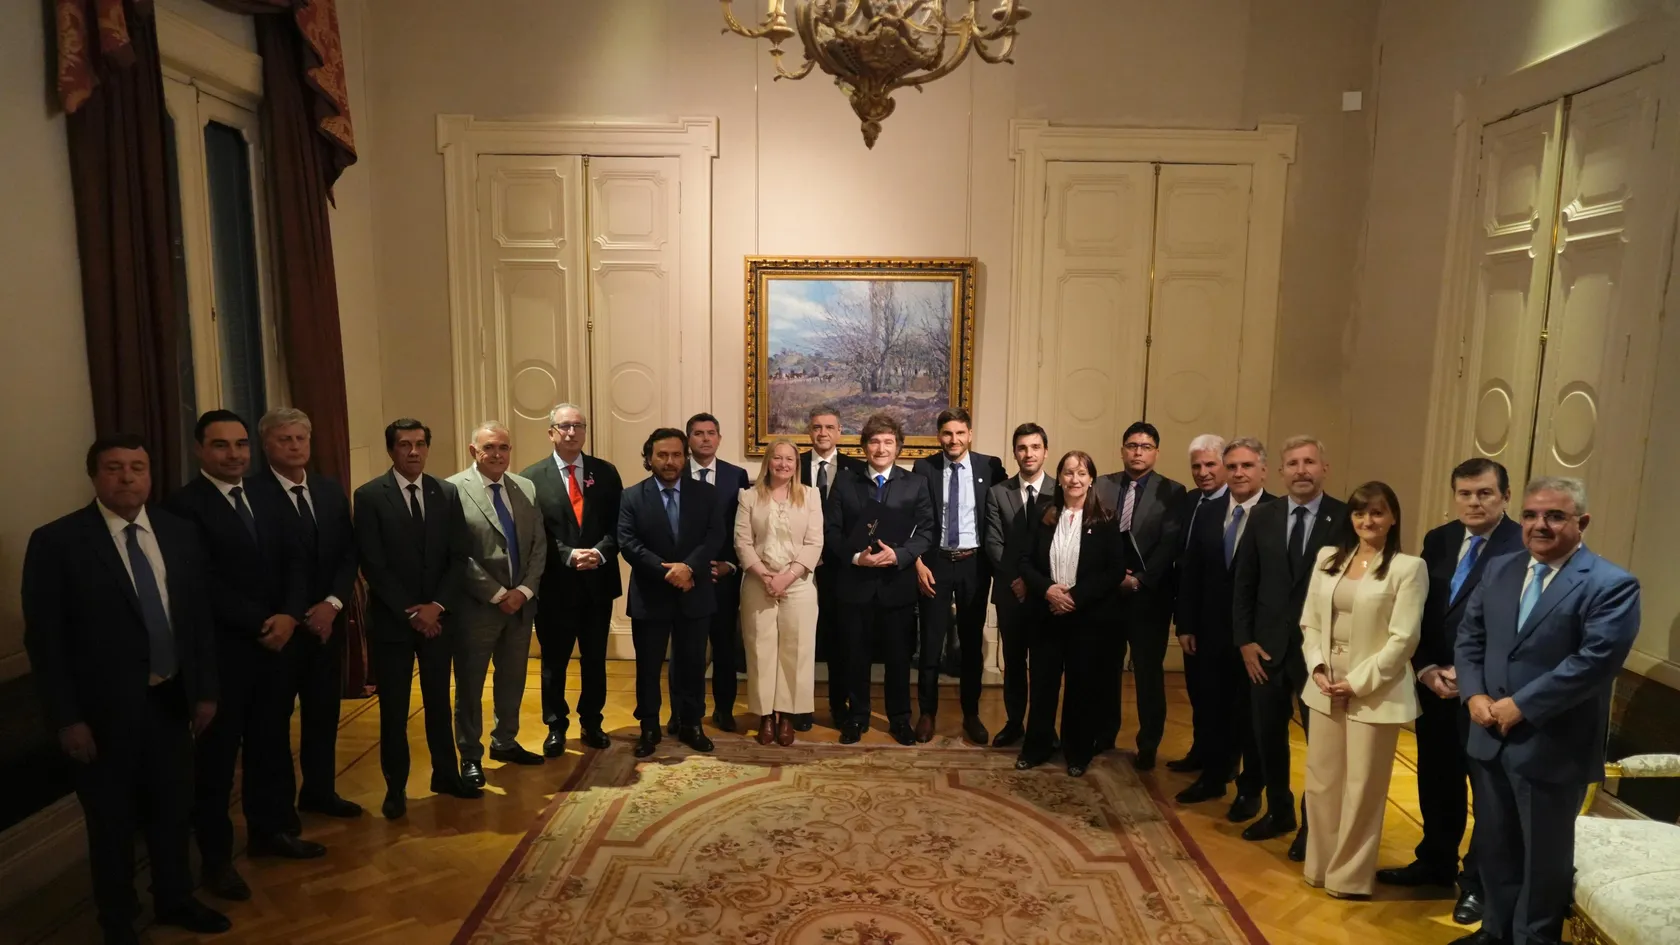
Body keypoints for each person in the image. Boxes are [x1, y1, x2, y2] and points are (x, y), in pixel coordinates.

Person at [22, 435, 230, 944]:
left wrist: (205, 692)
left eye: (138, 467)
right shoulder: (57, 542)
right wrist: (68, 719)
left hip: (170, 700)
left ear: (150, 474)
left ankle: (175, 897)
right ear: (94, 476)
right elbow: (46, 644)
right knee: (112, 825)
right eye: (114, 468)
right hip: (100, 715)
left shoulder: (178, 533)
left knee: (172, 811)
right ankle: (118, 920)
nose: (128, 477)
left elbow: (197, 622)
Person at [1453, 477, 1641, 945]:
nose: (1540, 525)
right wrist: (1473, 694)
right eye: (1532, 515)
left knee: (1542, 860)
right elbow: (1470, 638)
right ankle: (1494, 932)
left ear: (1582, 522)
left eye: (1555, 516)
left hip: (1552, 745)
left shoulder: (1611, 584)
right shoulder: (1500, 569)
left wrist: (1523, 705)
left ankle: (1533, 940)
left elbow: (1595, 661)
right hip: (1488, 736)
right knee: (1494, 847)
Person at [166, 410, 322, 902]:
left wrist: (291, 615)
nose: (233, 454)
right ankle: (216, 862)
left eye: (240, 445)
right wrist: (264, 621)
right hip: (224, 654)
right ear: (199, 451)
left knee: (271, 745)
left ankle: (270, 832)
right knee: (215, 765)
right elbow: (199, 583)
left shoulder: (262, 493)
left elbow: (297, 559)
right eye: (221, 446)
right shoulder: (183, 507)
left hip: (278, 646)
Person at [1378, 458, 1520, 923]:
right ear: (1454, 496)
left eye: (1484, 493)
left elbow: (1519, 626)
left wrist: (1470, 676)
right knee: (1436, 779)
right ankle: (1435, 861)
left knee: (1487, 791)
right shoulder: (1438, 540)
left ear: (1505, 496)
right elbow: (1420, 611)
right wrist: (1423, 669)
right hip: (1434, 685)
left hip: (1488, 694)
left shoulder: (1523, 545)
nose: (1474, 502)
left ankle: (1476, 883)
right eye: (1465, 493)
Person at [1300, 481, 1426, 899]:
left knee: (1363, 788)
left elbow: (1403, 640)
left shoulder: (1408, 568)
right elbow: (1310, 622)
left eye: (1376, 513)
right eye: (1359, 513)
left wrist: (1354, 682)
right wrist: (1317, 666)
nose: (1367, 521)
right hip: (1323, 683)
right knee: (1321, 783)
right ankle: (1318, 867)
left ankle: (1350, 877)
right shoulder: (1327, 558)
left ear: (1392, 518)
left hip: (1373, 690)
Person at [353, 418, 478, 820]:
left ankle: (446, 774)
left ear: (428, 448)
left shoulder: (446, 492)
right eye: (404, 444)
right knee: (394, 708)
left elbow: (459, 556)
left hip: (439, 620)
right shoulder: (370, 496)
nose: (413, 451)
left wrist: (436, 607)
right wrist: (412, 611)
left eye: (420, 444)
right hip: (393, 623)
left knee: (439, 702)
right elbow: (373, 563)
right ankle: (395, 787)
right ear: (391, 450)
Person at [1232, 435, 1347, 859]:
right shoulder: (1263, 517)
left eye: (1309, 462)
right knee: (1267, 738)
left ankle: (1313, 823)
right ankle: (1279, 810)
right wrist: (1244, 640)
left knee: (1320, 744)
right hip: (1265, 651)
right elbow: (1244, 584)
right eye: (1293, 463)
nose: (1301, 470)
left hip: (1321, 656)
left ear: (1323, 468)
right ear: (1280, 472)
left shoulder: (1345, 518)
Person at [250, 407, 363, 820]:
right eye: (285, 439)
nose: (295, 446)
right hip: (278, 628)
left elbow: (348, 552)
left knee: (323, 715)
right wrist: (297, 612)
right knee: (274, 725)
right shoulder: (252, 495)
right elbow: (263, 568)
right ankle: (279, 813)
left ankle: (320, 792)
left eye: (301, 438)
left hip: (326, 625)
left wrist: (333, 604)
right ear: (266, 445)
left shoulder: (329, 490)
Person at [823, 412, 935, 745]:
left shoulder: (915, 483)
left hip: (896, 585)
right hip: (854, 584)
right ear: (864, 447)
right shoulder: (845, 481)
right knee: (854, 656)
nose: (881, 448)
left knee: (898, 658)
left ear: (898, 447)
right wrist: (857, 557)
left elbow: (928, 530)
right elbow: (831, 531)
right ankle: (857, 717)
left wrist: (899, 555)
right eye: (874, 441)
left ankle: (900, 719)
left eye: (888, 441)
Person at [1174, 437, 1271, 815]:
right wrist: (1186, 623)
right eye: (1232, 467)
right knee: (1211, 708)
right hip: (1211, 632)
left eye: (1246, 466)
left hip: (1257, 639)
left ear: (1262, 469)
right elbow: (1191, 573)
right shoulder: (1210, 513)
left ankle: (1250, 790)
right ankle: (1213, 777)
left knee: (1252, 719)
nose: (1238, 473)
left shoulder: (1276, 513)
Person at [448, 422, 548, 787]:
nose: (498, 454)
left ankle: (505, 741)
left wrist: (524, 590)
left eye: (504, 447)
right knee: (471, 685)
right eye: (490, 448)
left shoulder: (525, 487)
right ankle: (470, 755)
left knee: (513, 679)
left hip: (521, 607)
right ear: (474, 451)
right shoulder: (453, 489)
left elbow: (539, 545)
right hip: (478, 608)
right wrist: (495, 593)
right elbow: (456, 554)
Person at [1014, 450, 1125, 777]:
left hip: (1086, 619)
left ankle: (1077, 752)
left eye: (1081, 473)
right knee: (1044, 686)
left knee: (1081, 687)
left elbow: (1115, 570)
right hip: (1046, 613)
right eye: (1068, 473)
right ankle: (1036, 747)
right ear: (1059, 477)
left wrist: (1074, 597)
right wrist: (1048, 589)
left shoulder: (1106, 519)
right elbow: (1024, 562)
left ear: (1091, 479)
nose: (1074, 479)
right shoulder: (1042, 514)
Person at [618, 428, 727, 758]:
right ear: (649, 458)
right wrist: (670, 571)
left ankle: (691, 723)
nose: (669, 461)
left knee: (693, 664)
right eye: (662, 455)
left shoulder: (706, 494)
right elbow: (628, 544)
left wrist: (689, 568)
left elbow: (714, 536)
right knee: (648, 667)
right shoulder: (632, 496)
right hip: (651, 595)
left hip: (695, 592)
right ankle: (649, 726)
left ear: (686, 457)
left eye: (676, 455)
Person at [520, 403, 622, 755]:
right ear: (551, 432)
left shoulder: (605, 473)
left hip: (597, 583)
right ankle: (555, 725)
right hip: (555, 587)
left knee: (595, 659)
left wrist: (601, 551)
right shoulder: (531, 478)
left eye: (578, 426)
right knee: (554, 661)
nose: (571, 432)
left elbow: (619, 524)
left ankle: (592, 722)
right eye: (564, 426)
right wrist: (566, 554)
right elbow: (533, 534)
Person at [1093, 421, 1186, 769]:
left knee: (1148, 674)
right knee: (1106, 669)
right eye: (1131, 445)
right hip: (1108, 595)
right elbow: (1094, 535)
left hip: (1149, 598)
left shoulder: (1174, 492)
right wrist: (1111, 578)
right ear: (1122, 450)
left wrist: (1141, 579)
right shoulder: (1102, 485)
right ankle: (1105, 733)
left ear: (1156, 452)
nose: (1137, 452)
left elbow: (1170, 544)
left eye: (1145, 446)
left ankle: (1148, 744)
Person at [912, 408, 1006, 745]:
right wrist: (918, 562)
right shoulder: (924, 467)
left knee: (970, 643)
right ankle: (927, 713)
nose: (954, 440)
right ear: (939, 436)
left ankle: (971, 714)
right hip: (935, 561)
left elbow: (1007, 506)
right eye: (947, 434)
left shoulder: (989, 467)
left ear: (970, 434)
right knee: (931, 643)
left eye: (960, 433)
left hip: (974, 564)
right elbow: (916, 517)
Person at [734, 438, 824, 745]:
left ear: (797, 465)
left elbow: (815, 543)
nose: (783, 464)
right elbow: (743, 543)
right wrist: (766, 576)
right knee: (761, 651)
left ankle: (787, 715)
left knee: (795, 652)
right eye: (777, 458)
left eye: (790, 459)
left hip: (798, 585)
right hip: (759, 584)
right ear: (768, 462)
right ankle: (765, 717)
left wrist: (787, 577)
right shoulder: (749, 497)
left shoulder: (810, 496)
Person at [983, 422, 1057, 748]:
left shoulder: (1062, 491)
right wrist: (1017, 580)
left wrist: (1036, 584)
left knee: (1044, 664)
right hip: (1010, 592)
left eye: (1035, 447)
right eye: (1022, 448)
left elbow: (1062, 546)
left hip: (1046, 594)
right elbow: (994, 543)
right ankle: (1014, 723)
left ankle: (1044, 727)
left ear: (1045, 451)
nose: (1028, 454)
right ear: (1014, 452)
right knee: (1013, 662)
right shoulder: (999, 492)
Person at [681, 412, 752, 733]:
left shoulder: (735, 476)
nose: (705, 439)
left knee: (724, 647)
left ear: (720, 438)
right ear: (689, 440)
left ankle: (724, 709)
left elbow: (742, 528)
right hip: (685, 577)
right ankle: (683, 712)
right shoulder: (675, 472)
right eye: (698, 433)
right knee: (686, 650)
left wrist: (731, 565)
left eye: (711, 433)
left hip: (723, 575)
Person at [1167, 433, 1229, 774]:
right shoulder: (1190, 501)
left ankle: (1220, 766)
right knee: (1198, 693)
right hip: (1192, 614)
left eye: (1210, 464)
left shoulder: (1236, 506)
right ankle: (1201, 752)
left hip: (1223, 622)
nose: (1203, 472)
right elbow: (1185, 563)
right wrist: (1185, 621)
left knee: (1220, 698)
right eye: (1196, 466)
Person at [799, 405, 865, 730]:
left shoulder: (857, 469)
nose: (822, 433)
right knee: (801, 640)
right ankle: (797, 707)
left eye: (829, 427)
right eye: (816, 427)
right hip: (799, 570)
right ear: (808, 432)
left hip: (842, 569)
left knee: (840, 641)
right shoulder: (791, 466)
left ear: (840, 431)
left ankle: (840, 706)